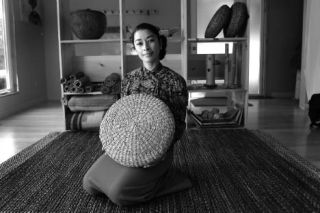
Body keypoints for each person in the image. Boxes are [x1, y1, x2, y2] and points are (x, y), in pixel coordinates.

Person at [82, 23, 192, 206]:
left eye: (151, 41)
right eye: (139, 43)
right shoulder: (128, 80)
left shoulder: (175, 82)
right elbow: (121, 116)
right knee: (90, 183)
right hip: (128, 145)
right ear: (135, 48)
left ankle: (171, 179)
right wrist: (113, 144)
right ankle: (142, 178)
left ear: (161, 44)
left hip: (159, 151)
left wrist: (160, 152)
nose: (146, 47)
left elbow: (180, 124)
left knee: (119, 194)